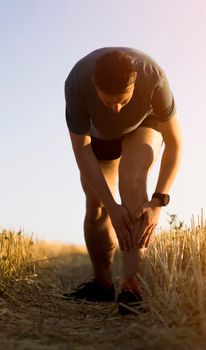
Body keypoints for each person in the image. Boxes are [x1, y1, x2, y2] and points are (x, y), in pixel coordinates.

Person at [62, 47, 183, 315]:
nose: (117, 109)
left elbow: (175, 144)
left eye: (124, 101)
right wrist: (111, 204)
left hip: (142, 125)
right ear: (95, 85)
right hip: (97, 137)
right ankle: (102, 286)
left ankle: (131, 287)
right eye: (109, 102)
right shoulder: (76, 84)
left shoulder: (154, 78)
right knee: (97, 207)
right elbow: (82, 150)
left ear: (135, 84)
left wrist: (158, 201)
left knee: (132, 181)